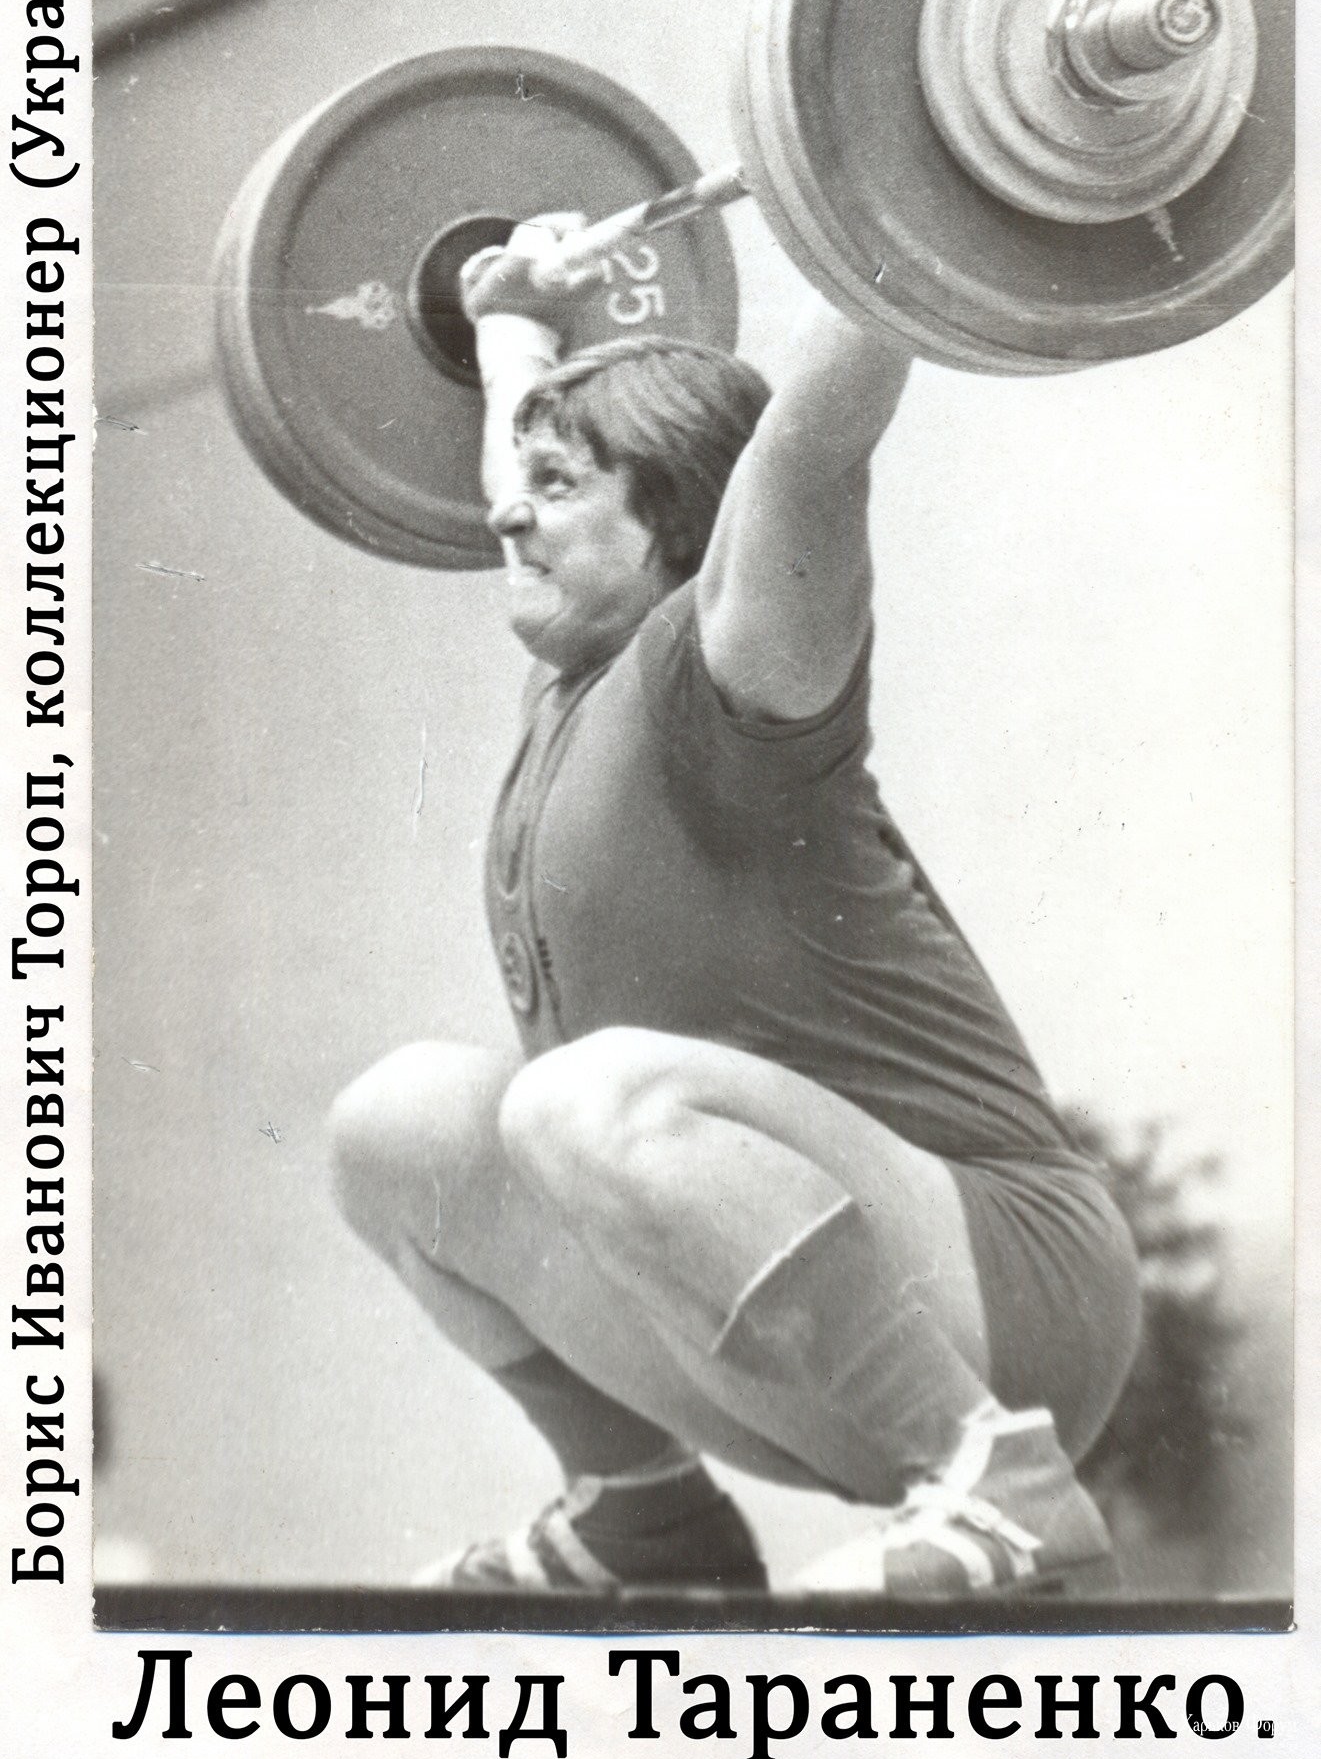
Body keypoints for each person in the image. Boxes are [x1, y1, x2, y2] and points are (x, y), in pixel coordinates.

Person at [329, 217, 1142, 1596]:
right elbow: (522, 480)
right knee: (396, 1125)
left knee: (579, 1098)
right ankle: (643, 1517)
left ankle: (1007, 1496)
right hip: (796, 1338)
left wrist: (890, 218)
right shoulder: (573, 682)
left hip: (1012, 1298)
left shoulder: (737, 678)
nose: (507, 513)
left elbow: (807, 449)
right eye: (523, 478)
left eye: (555, 484)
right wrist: (512, 323)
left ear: (679, 526)